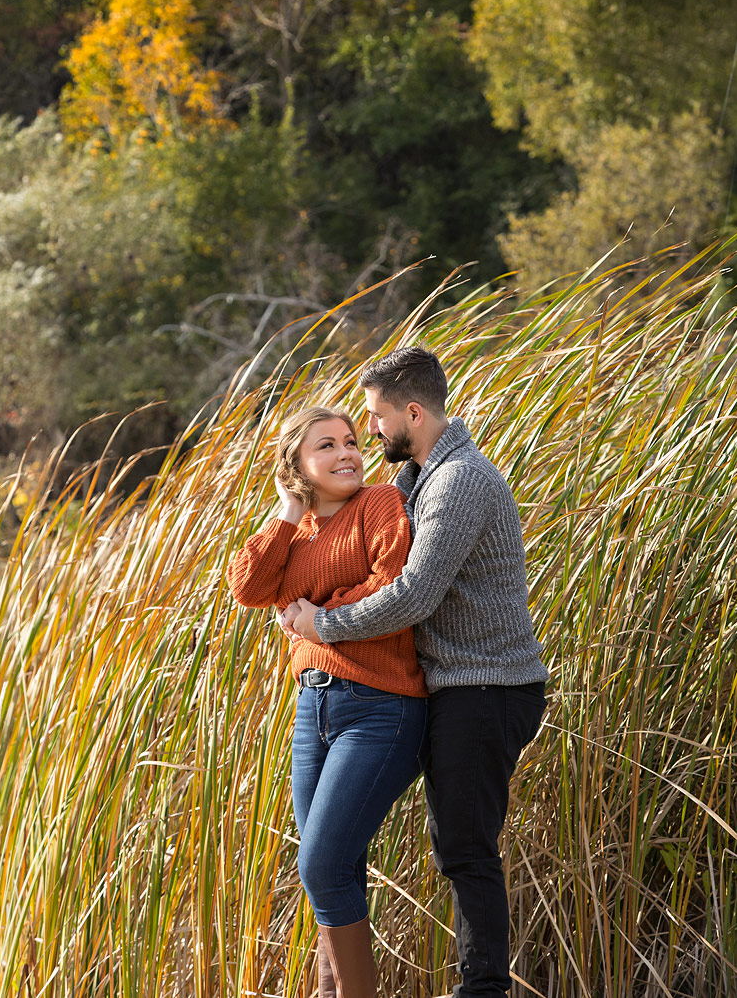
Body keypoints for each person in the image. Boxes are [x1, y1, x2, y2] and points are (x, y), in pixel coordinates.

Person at [283, 347, 549, 998]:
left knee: (464, 848)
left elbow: (412, 596)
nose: (368, 430)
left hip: (486, 685)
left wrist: (323, 625)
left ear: (411, 411)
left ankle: (482, 991)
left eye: (374, 416)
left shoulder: (459, 479)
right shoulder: (417, 478)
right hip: (453, 686)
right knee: (357, 852)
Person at [226, 404, 429, 998]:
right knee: (328, 873)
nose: (347, 453)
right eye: (326, 446)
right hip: (311, 712)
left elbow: (392, 586)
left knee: (320, 864)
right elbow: (248, 587)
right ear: (298, 464)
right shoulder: (297, 530)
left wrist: (320, 617)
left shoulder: (380, 505)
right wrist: (289, 509)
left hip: (380, 707)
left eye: (349, 441)